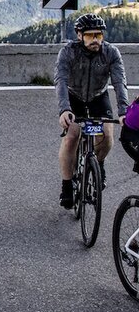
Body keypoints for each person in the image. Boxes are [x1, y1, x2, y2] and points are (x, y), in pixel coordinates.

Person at [55, 14, 129, 209]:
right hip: (74, 97)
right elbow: (61, 80)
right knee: (71, 137)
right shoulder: (68, 52)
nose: (96, 39)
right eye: (90, 35)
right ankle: (66, 186)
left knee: (107, 137)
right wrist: (64, 109)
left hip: (98, 96)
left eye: (99, 35)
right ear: (79, 35)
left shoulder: (111, 53)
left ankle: (99, 164)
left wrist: (123, 111)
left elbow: (119, 82)